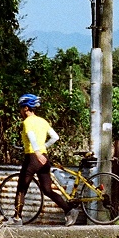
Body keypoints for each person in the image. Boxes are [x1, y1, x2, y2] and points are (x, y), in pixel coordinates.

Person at [12, 94, 80, 226]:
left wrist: (37, 152)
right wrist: (42, 148)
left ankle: (17, 218)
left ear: (26, 108)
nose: (20, 111)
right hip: (44, 157)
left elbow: (31, 136)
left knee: (21, 189)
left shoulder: (27, 122)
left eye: (21, 108)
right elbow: (55, 137)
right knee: (47, 190)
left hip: (32, 157)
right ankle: (69, 210)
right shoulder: (43, 121)